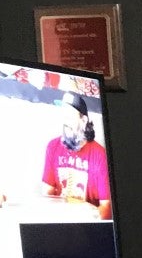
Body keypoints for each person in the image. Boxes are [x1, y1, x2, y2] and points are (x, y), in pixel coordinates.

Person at [41, 92, 112, 220]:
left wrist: (90, 216)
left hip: (87, 226)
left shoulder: (100, 155)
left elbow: (106, 208)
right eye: (63, 115)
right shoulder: (52, 147)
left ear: (83, 120)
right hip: (59, 222)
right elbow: (47, 194)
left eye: (69, 116)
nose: (65, 121)